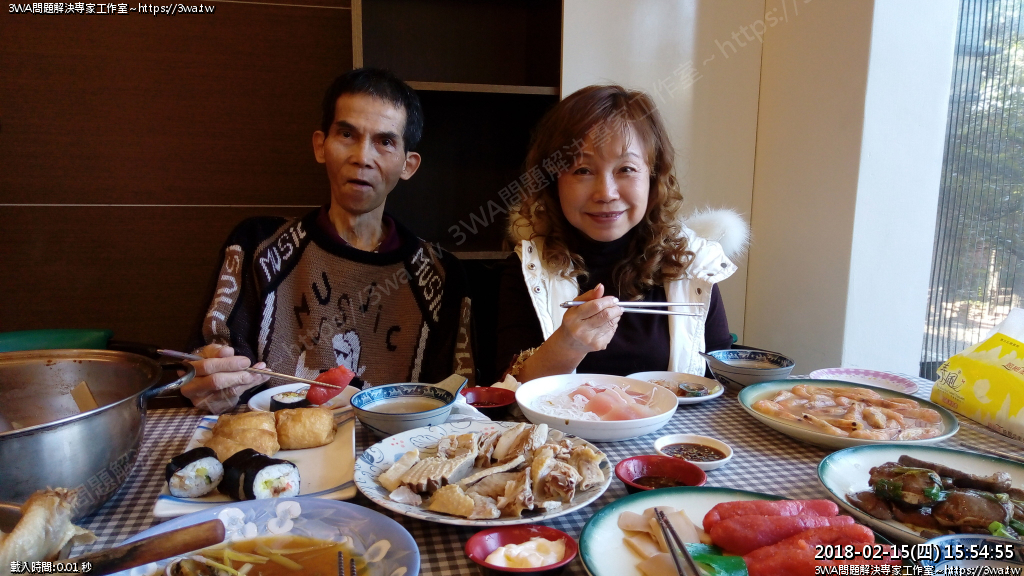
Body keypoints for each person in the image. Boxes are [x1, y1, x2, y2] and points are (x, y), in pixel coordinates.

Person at [183, 68, 474, 413]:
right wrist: (208, 377)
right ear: (320, 145)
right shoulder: (257, 246)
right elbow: (205, 364)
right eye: (347, 134)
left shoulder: (441, 275)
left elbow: (457, 398)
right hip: (275, 441)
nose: (362, 157)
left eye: (385, 142)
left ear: (408, 165)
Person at [495, 85, 748, 382]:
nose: (606, 193)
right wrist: (566, 346)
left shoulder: (693, 262)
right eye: (582, 170)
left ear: (653, 176)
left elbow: (720, 382)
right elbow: (505, 392)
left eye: (626, 169)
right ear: (554, 181)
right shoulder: (529, 269)